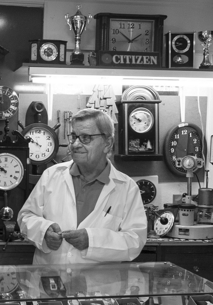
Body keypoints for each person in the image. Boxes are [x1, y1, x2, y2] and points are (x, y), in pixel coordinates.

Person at [19, 108, 147, 265]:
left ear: (108, 143)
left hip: (100, 286)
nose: (76, 144)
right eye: (74, 137)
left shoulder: (127, 188)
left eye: (85, 138)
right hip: (50, 281)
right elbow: (26, 216)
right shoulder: (51, 176)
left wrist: (92, 240)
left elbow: (135, 241)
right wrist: (43, 231)